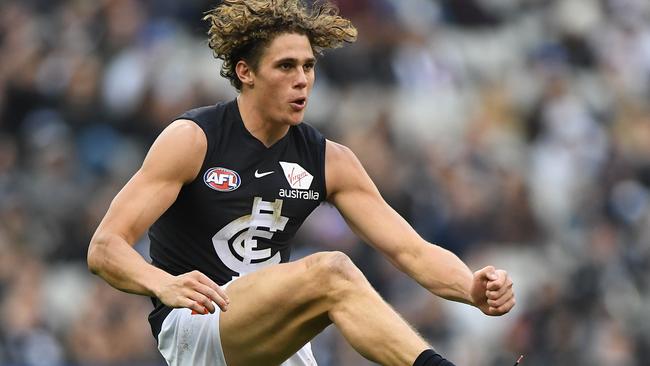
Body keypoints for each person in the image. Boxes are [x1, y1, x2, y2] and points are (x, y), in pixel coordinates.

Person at [87, 1, 516, 365]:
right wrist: (164, 283)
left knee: (334, 284)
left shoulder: (328, 159)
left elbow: (410, 250)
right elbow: (105, 247)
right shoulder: (194, 139)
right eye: (286, 66)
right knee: (333, 271)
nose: (302, 80)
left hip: (276, 338)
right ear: (246, 72)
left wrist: (469, 288)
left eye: (308, 66)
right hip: (198, 325)